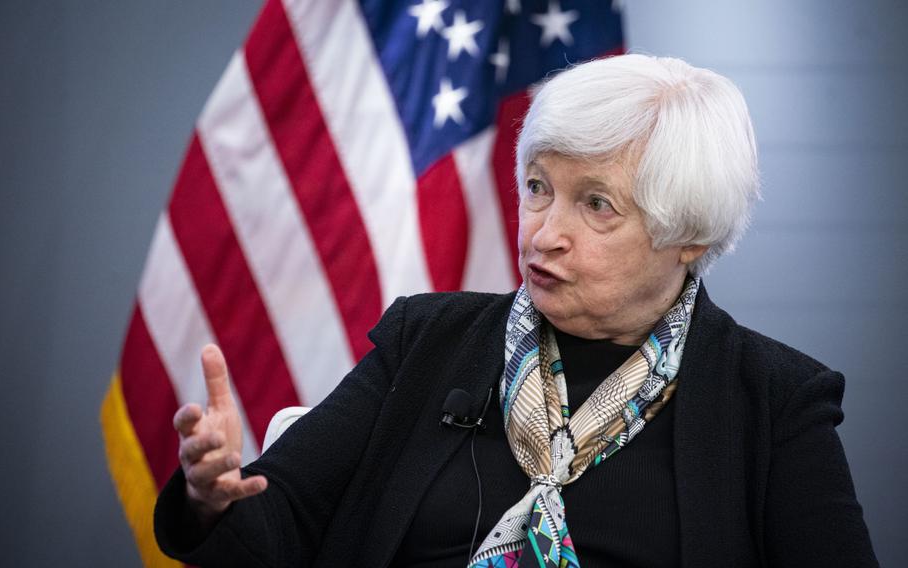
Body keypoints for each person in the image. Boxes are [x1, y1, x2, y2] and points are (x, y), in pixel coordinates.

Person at [154, 54, 878, 567]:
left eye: (595, 204)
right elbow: (278, 528)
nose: (542, 232)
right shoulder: (425, 341)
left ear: (685, 234)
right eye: (538, 186)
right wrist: (212, 498)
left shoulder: (776, 402)